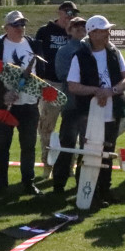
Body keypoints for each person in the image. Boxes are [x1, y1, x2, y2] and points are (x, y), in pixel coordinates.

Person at [66, 15, 125, 207]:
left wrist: (111, 91)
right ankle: (86, 191)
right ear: (92, 33)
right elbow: (72, 86)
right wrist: (96, 91)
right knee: (88, 153)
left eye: (107, 30)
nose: (108, 33)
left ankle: (104, 190)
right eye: (103, 30)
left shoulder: (114, 52)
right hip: (88, 114)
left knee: (108, 152)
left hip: (112, 112)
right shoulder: (80, 56)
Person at [0, 10, 42, 201]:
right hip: (5, 105)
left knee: (28, 145)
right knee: (2, 146)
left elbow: (41, 73)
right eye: (16, 25)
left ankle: (28, 182)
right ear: (6, 27)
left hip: (30, 104)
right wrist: (3, 93)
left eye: (23, 24)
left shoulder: (34, 45)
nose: (20, 28)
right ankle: (1, 187)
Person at [35, 1, 81, 174]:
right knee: (47, 127)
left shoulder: (76, 33)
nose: (70, 15)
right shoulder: (45, 31)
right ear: (59, 12)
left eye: (73, 12)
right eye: (67, 12)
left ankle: (69, 166)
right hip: (50, 84)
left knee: (71, 128)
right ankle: (47, 166)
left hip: (71, 86)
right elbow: (36, 57)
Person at [51, 16, 88, 192]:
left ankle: (83, 180)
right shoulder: (64, 51)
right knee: (67, 143)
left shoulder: (90, 48)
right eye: (76, 26)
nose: (81, 28)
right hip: (72, 104)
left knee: (87, 145)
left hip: (89, 105)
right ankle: (59, 181)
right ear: (69, 30)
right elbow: (62, 74)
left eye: (83, 26)